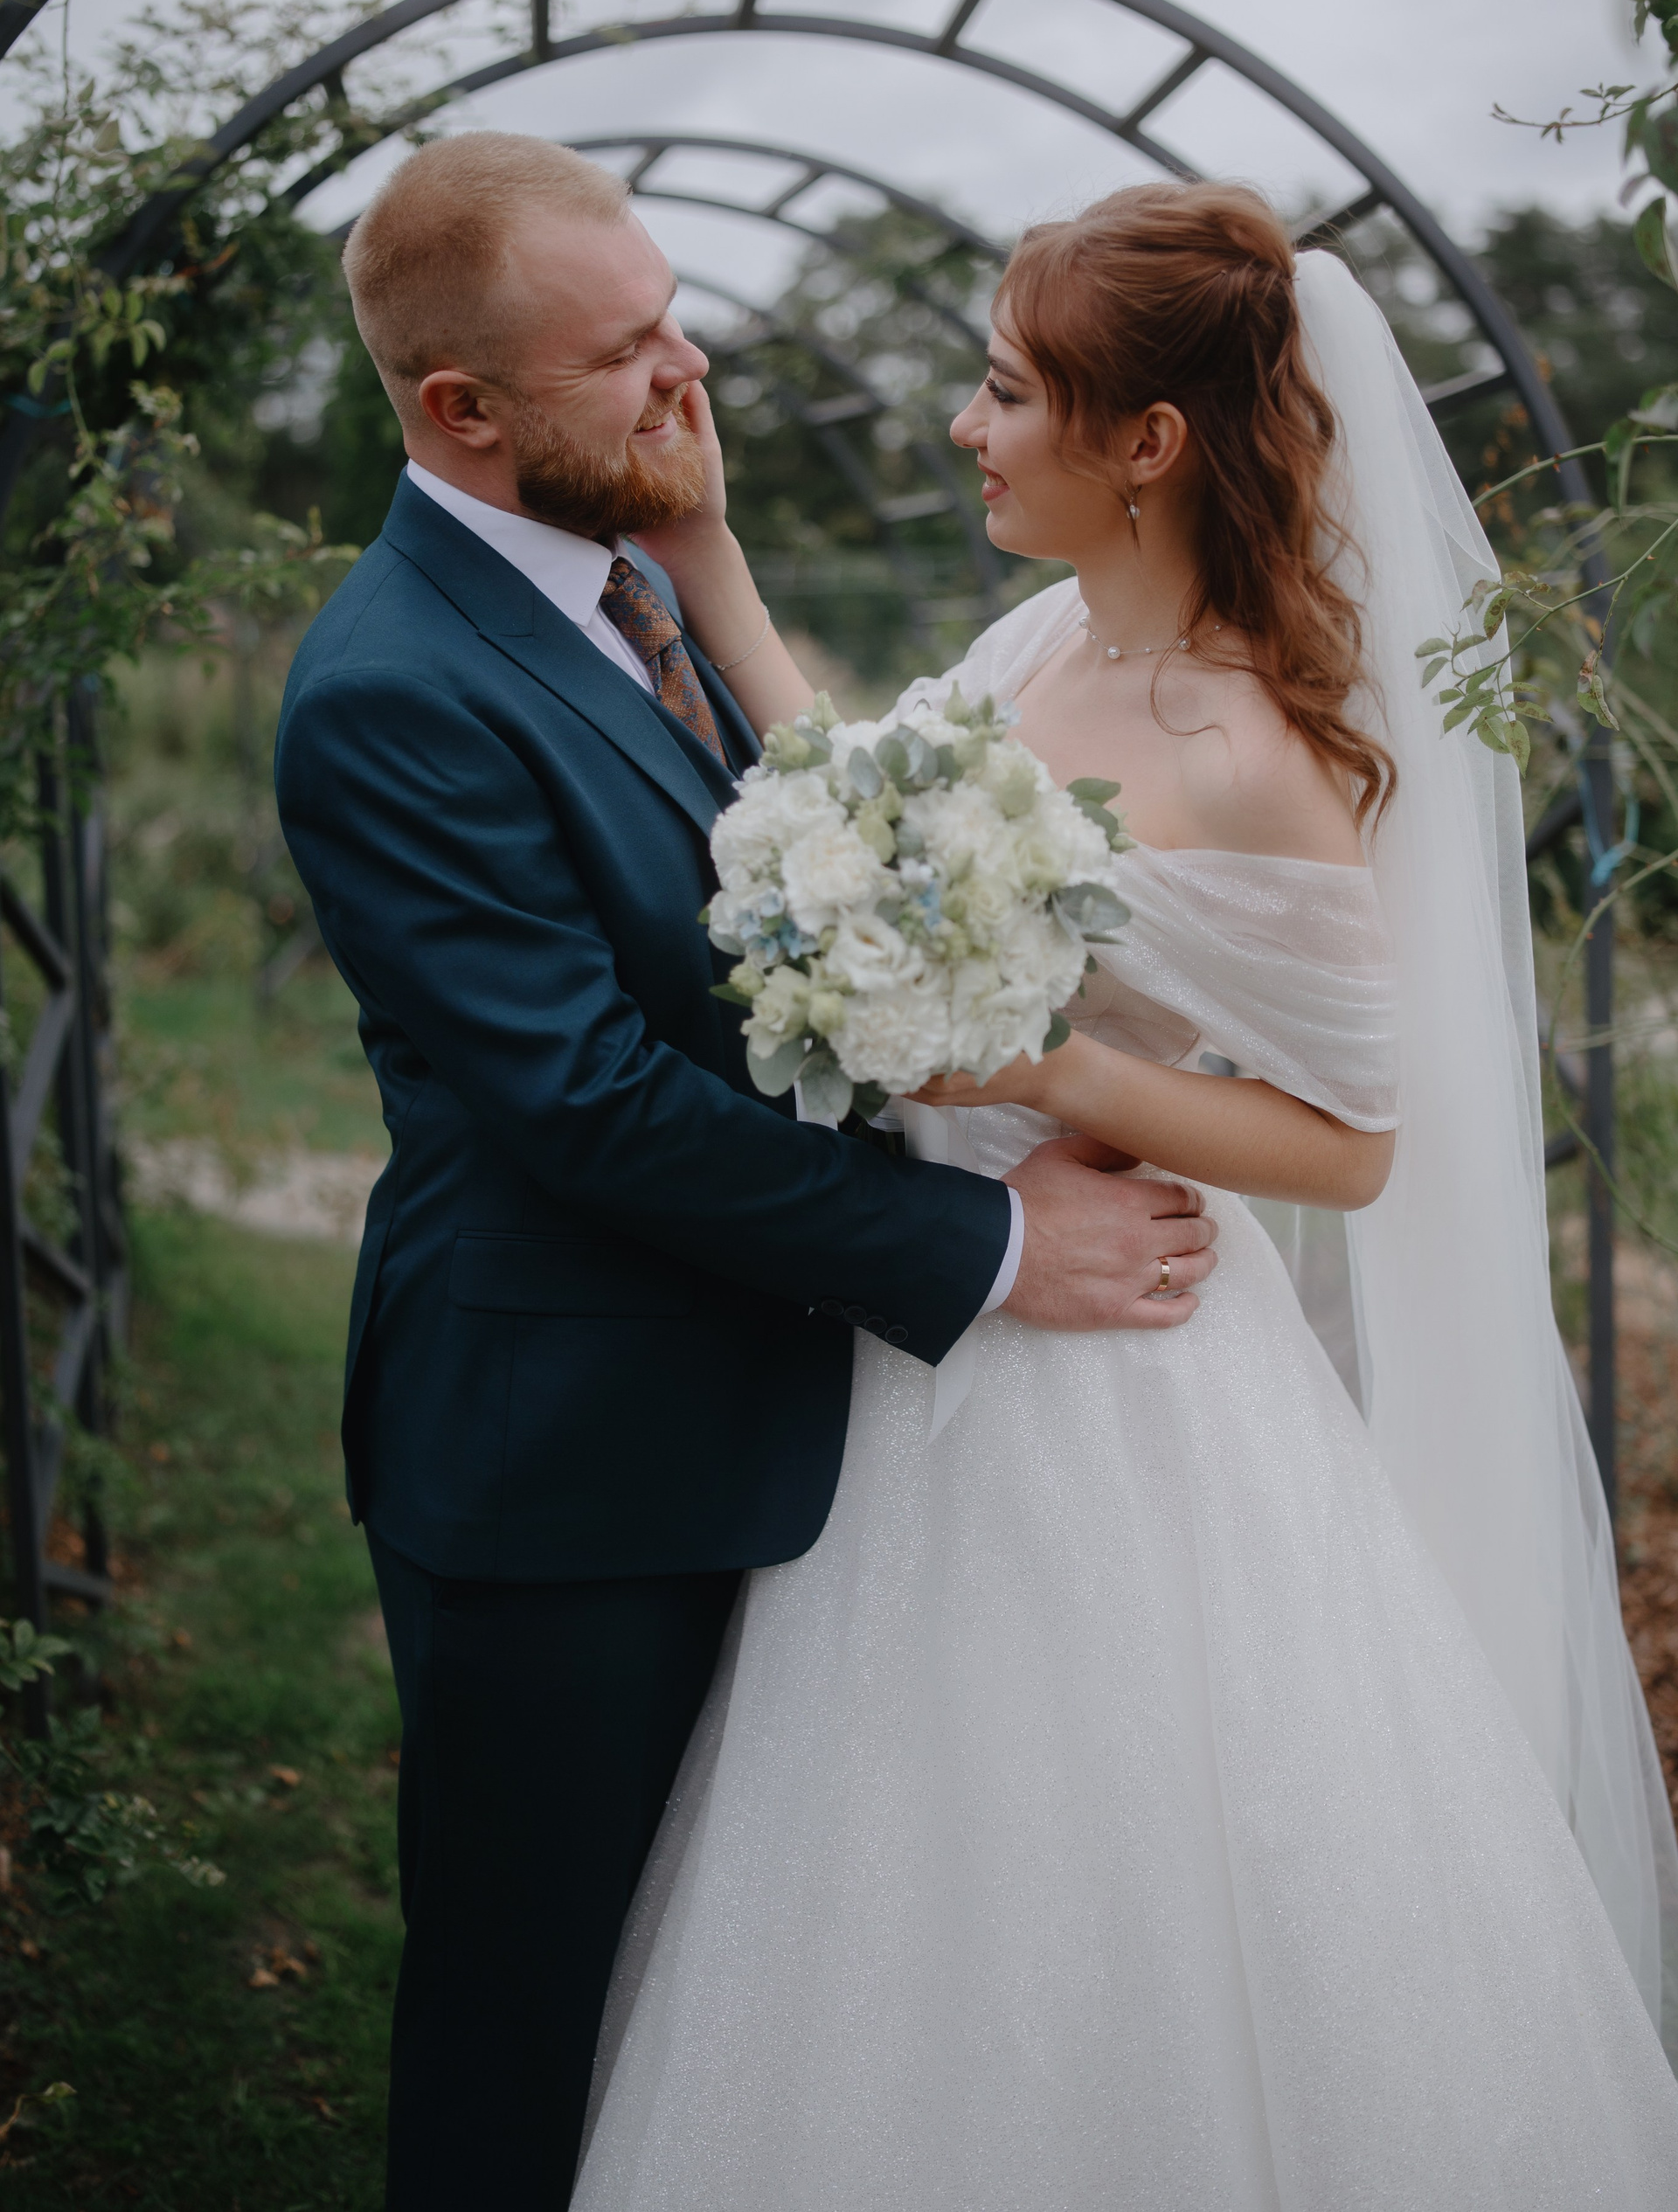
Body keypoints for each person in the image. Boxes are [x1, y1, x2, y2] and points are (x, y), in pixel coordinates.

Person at [572, 182, 1678, 2208]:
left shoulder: (1255, 749)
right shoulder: (1041, 637)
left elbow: (1355, 1143)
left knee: (1139, 1861)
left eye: (1009, 391)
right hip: (941, 1336)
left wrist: (1055, 1070)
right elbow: (871, 824)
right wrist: (710, 555)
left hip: (1133, 1373)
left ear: (1147, 439)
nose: (968, 429)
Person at [272, 133, 1221, 2209]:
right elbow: (594, 1101)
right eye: (626, 353)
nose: (687, 374)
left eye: (675, 318)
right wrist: (990, 1240)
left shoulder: (633, 584)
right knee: (533, 2023)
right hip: (564, 1470)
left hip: (766, 1412)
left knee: (714, 2017)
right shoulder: (390, 690)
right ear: (464, 407)